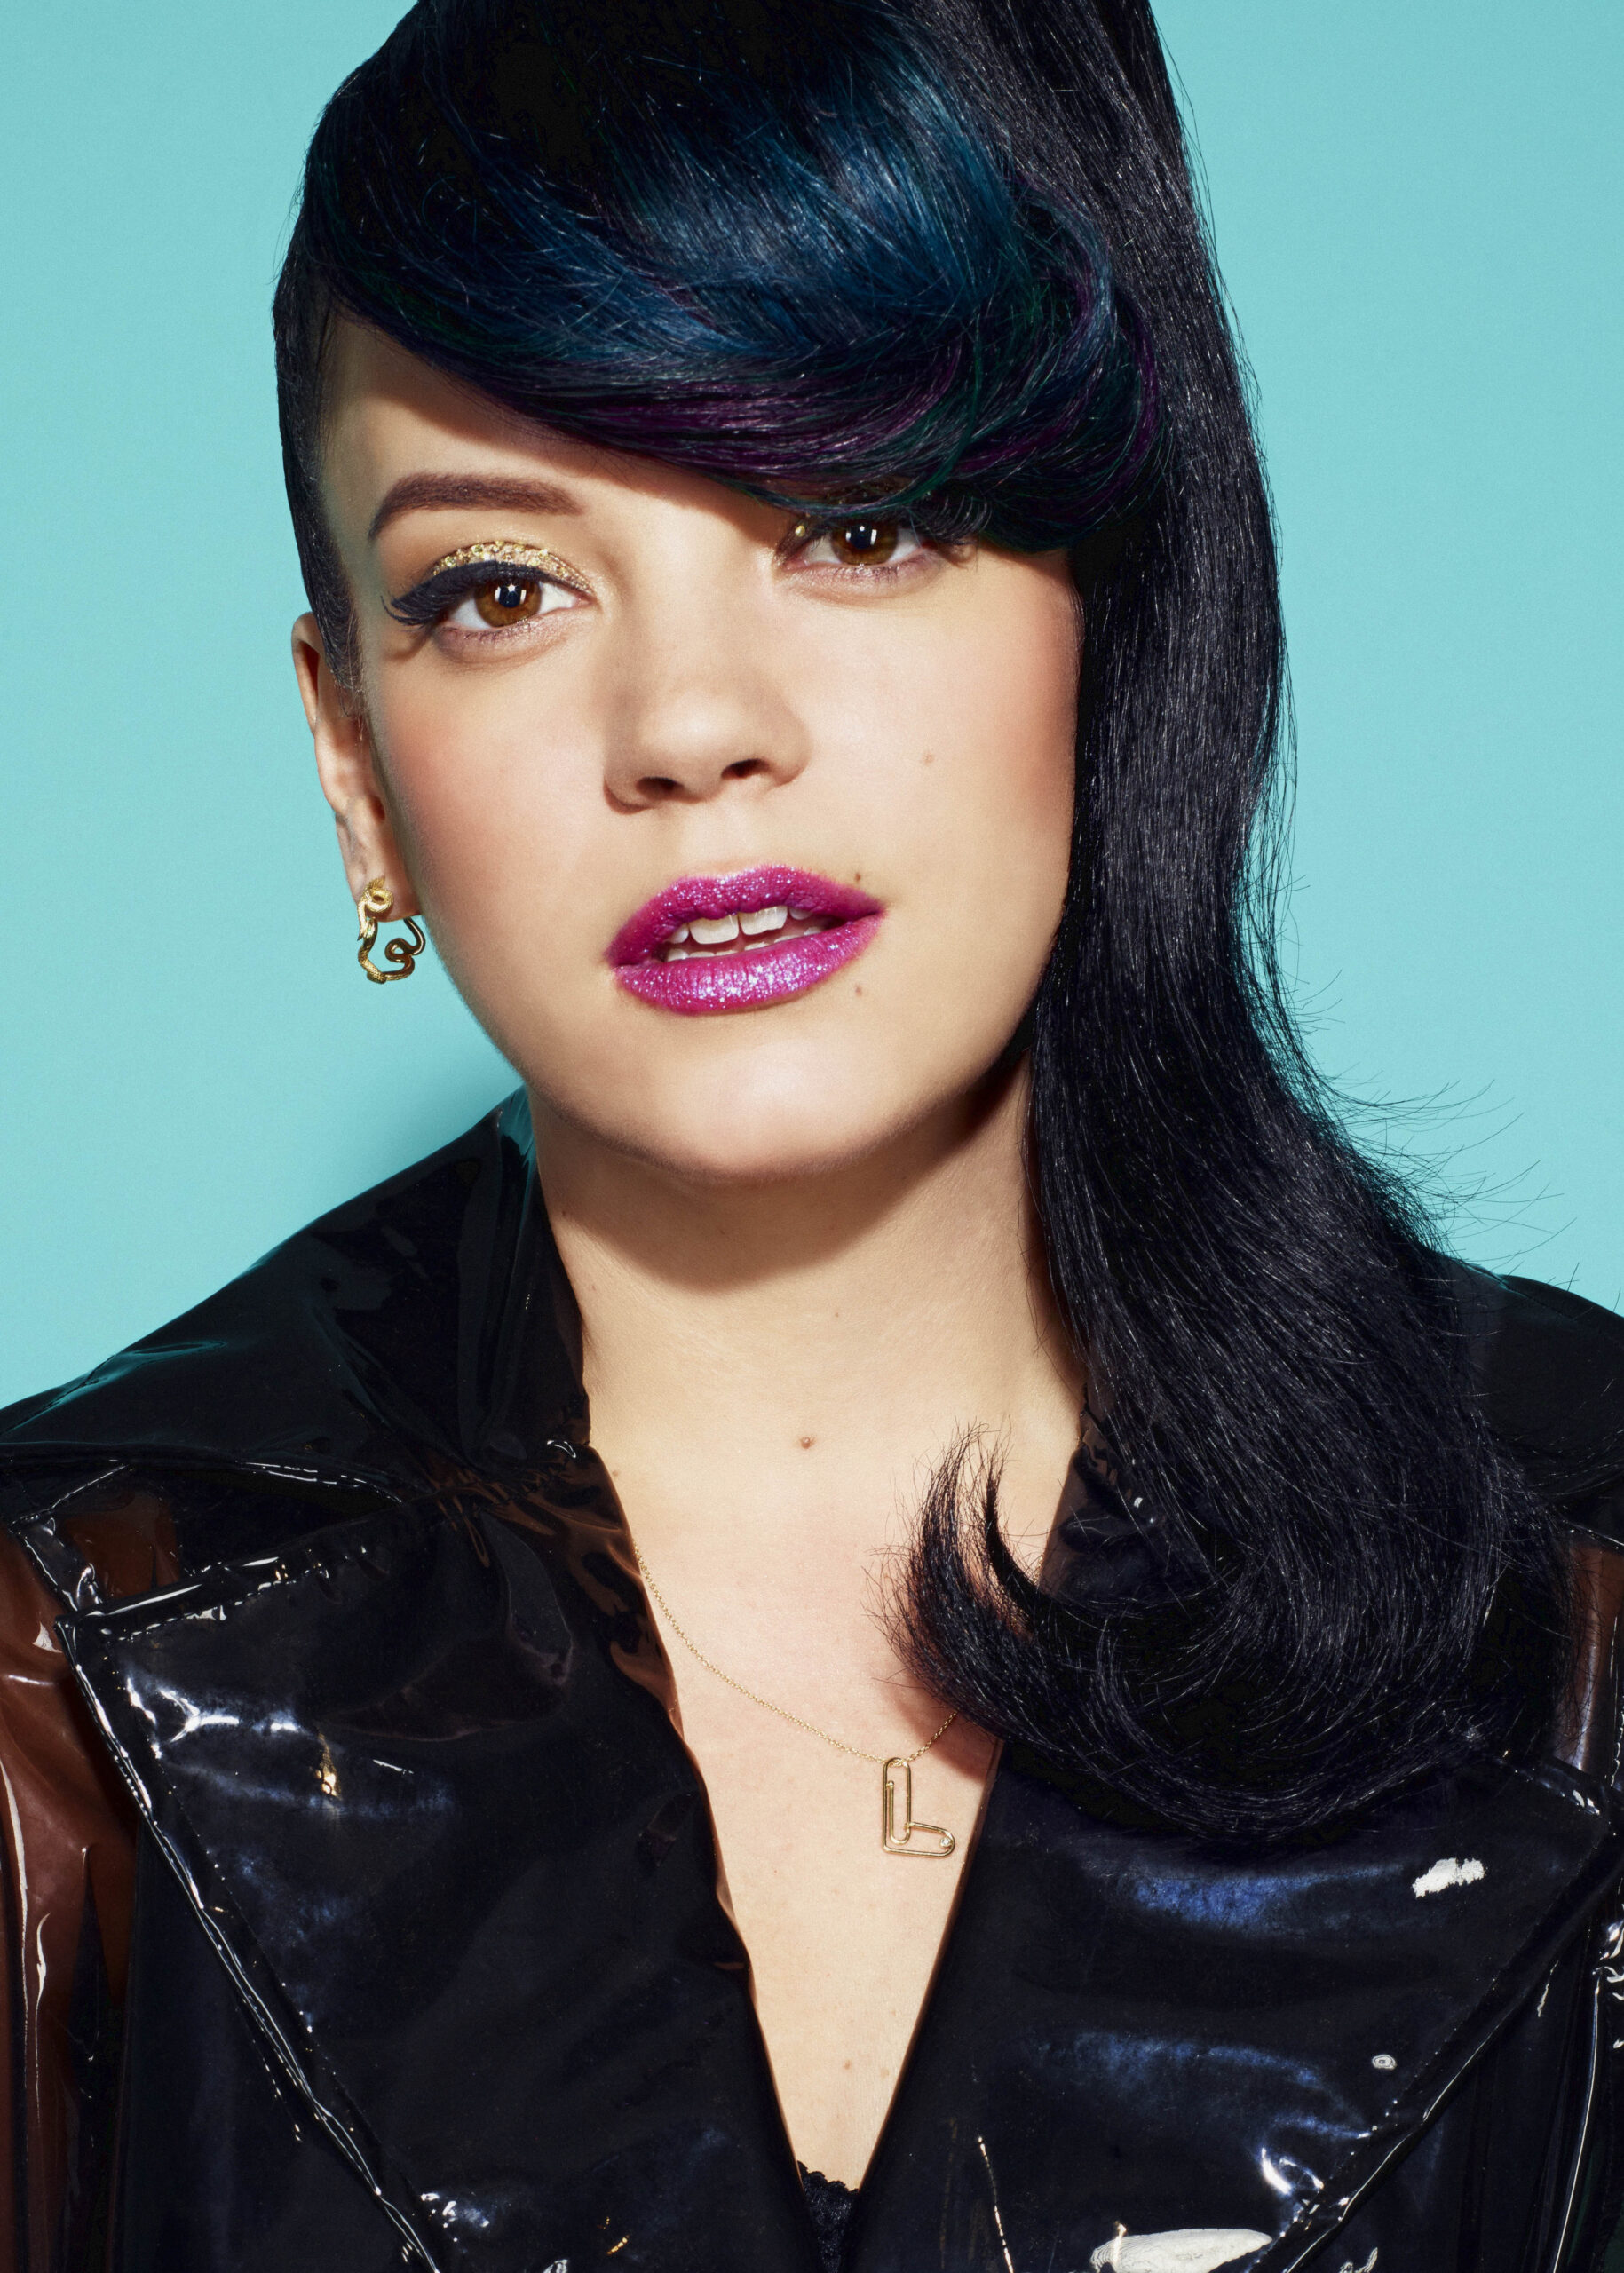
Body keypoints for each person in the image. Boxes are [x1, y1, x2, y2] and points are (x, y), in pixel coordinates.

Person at [3, 0, 1622, 2266]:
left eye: (855, 522)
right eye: (499, 588)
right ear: (353, 759)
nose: (689, 724)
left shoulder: (1583, 1582)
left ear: (1115, 603)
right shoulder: (69, 1644)